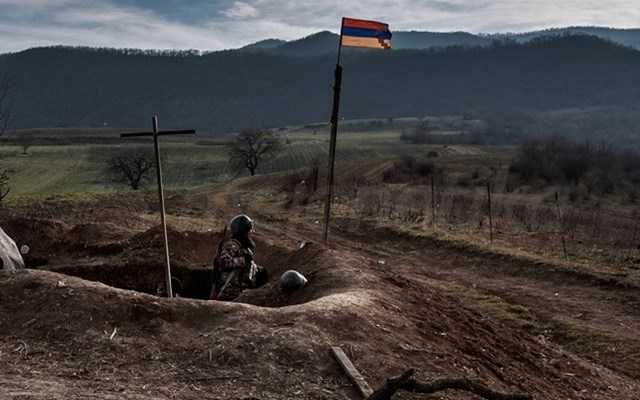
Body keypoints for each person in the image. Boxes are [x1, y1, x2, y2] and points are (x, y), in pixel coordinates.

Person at [210, 214, 268, 300]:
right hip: (230, 291)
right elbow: (223, 263)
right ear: (243, 231)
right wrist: (243, 261)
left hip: (242, 289)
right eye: (249, 230)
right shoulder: (232, 245)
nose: (251, 232)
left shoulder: (244, 247)